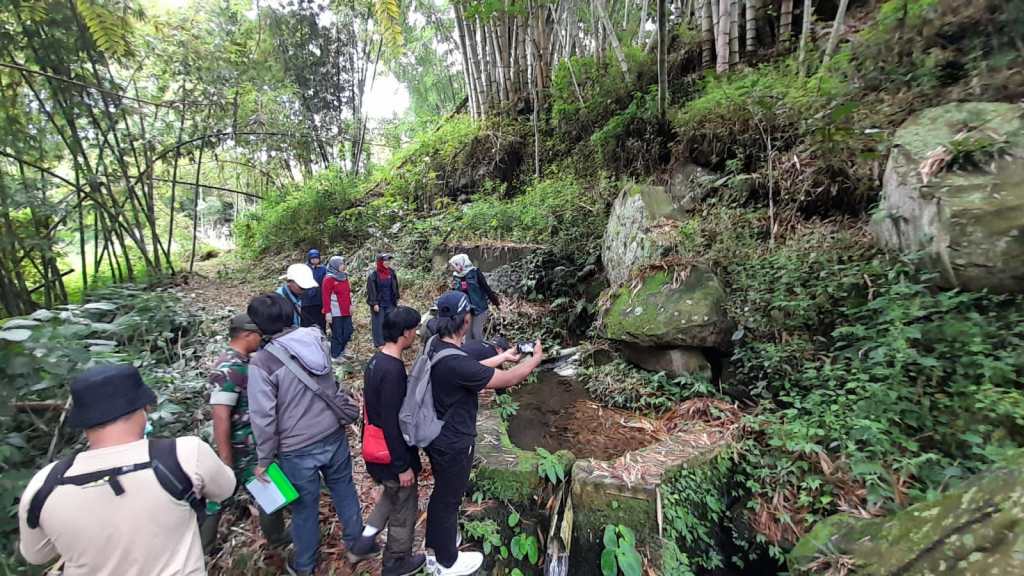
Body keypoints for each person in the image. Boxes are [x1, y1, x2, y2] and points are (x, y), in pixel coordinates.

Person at [18, 364, 236, 576]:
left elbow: (36, 555)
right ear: (144, 408)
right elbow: (225, 489)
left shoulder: (45, 483)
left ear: (83, 421)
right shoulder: (184, 454)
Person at [246, 293, 378, 576]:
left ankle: (305, 564)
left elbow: (263, 417)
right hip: (332, 431)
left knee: (304, 507)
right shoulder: (315, 338)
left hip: (296, 447)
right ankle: (357, 543)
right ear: (290, 312)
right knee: (344, 488)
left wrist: (264, 459)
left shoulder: (262, 362)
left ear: (258, 325)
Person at [424, 292, 544, 576]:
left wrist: (503, 356)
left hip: (435, 433)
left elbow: (470, 367)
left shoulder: (436, 345)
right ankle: (446, 562)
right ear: (466, 320)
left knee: (442, 492)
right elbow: (508, 378)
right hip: (454, 441)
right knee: (450, 498)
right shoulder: (456, 363)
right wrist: (535, 359)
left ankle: (438, 543)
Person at [200, 313, 289, 553]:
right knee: (270, 490)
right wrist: (226, 459)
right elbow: (220, 415)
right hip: (243, 446)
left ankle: (205, 546)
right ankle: (277, 539)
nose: (262, 340)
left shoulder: (240, 360)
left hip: (248, 441)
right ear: (247, 335)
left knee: (222, 496)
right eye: (259, 335)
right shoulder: (230, 367)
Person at [362, 307, 427, 576]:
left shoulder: (376, 361)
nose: (416, 334)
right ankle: (396, 561)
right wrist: (402, 465)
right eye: (414, 329)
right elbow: (393, 422)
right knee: (403, 506)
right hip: (391, 455)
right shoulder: (393, 370)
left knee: (389, 495)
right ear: (405, 333)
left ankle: (362, 542)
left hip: (374, 448)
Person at [448, 254, 500, 342]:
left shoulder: (475, 273)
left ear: (462, 264)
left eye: (455, 265)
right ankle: (469, 350)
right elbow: (456, 293)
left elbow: (486, 288)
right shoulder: (456, 276)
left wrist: (496, 303)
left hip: (480, 308)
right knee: (467, 334)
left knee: (476, 333)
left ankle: (481, 349)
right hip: (467, 309)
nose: (454, 268)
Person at [322, 255, 354, 362]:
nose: (343, 266)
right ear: (335, 265)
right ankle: (335, 355)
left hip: (346, 309)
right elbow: (325, 296)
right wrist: (327, 313)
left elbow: (348, 292)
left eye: (344, 264)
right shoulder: (328, 279)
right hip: (335, 310)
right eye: (341, 264)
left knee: (348, 331)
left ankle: (341, 350)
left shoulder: (344, 276)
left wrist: (351, 305)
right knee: (337, 333)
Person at [367, 253, 401, 348]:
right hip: (379, 304)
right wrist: (374, 303)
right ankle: (379, 343)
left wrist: (396, 297)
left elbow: (395, 286)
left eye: (388, 260)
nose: (387, 262)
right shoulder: (373, 275)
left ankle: (389, 340)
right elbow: (371, 290)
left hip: (390, 302)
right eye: (385, 260)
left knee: (390, 322)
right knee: (378, 323)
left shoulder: (391, 272)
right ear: (380, 262)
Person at [277, 263, 318, 328]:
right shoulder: (279, 300)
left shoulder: (296, 295)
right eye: (301, 287)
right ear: (289, 282)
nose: (304, 291)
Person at [301, 249, 328, 332]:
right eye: (312, 258)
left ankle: (321, 336)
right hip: (306, 301)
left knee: (320, 322)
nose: (315, 260)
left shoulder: (323, 269)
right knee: (307, 323)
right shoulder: (304, 269)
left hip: (319, 300)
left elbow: (326, 283)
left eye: (316, 258)